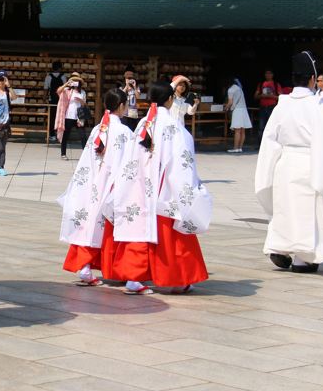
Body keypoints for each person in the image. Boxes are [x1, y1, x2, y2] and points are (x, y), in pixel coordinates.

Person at [254, 51, 323, 273]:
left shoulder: (282, 105)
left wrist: (269, 168)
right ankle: (303, 258)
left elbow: (269, 141)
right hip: (309, 163)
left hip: (285, 163)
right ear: (313, 79)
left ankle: (279, 247)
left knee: (285, 209)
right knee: (307, 212)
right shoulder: (318, 106)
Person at [109, 82, 211, 294]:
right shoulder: (173, 126)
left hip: (139, 188)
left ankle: (133, 278)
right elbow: (182, 161)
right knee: (173, 237)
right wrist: (188, 189)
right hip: (163, 190)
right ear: (170, 99)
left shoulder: (142, 124)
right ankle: (179, 279)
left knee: (137, 232)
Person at [58, 89, 133, 287]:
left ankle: (85, 267)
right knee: (109, 228)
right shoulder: (124, 132)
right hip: (111, 184)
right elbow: (128, 163)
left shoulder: (98, 129)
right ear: (121, 106)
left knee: (90, 225)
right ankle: (119, 270)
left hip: (92, 183)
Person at [56, 73, 87, 160]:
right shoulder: (67, 90)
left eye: (77, 81)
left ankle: (85, 155)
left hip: (79, 117)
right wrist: (66, 84)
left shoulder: (82, 92)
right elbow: (58, 91)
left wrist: (81, 101)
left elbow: (84, 105)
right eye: (74, 80)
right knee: (65, 135)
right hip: (68, 116)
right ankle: (63, 154)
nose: (75, 82)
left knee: (83, 136)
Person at [225, 77, 252, 153]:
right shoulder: (239, 89)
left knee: (237, 131)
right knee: (242, 131)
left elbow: (230, 102)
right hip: (244, 110)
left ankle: (235, 148)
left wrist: (226, 107)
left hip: (237, 110)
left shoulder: (230, 90)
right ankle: (240, 148)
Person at [254, 69, 281, 137]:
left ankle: (271, 142)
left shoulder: (276, 84)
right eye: (266, 73)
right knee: (261, 127)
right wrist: (261, 96)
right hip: (262, 107)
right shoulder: (261, 84)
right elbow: (255, 96)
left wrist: (271, 96)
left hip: (272, 107)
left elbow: (281, 97)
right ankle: (260, 142)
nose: (268, 75)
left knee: (272, 126)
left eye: (269, 73)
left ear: (272, 75)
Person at [44, 61, 67, 142]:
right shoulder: (63, 77)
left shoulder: (48, 77)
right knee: (61, 117)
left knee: (52, 117)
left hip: (52, 100)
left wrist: (44, 98)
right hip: (61, 100)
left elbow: (46, 89)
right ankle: (59, 134)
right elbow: (66, 89)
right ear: (60, 68)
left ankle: (52, 135)